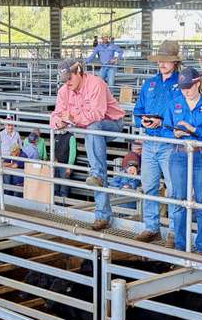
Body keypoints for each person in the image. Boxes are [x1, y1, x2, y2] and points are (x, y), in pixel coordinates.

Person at [50, 59, 125, 231]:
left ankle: (98, 181)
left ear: (79, 73)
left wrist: (73, 118)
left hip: (112, 123)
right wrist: (59, 122)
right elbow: (54, 116)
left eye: (70, 78)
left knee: (92, 129)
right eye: (64, 80)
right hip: (90, 129)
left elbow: (96, 115)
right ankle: (99, 188)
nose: (67, 83)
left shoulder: (95, 84)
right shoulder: (64, 91)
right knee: (92, 134)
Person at [165, 67, 202, 253]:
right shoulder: (174, 103)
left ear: (198, 83)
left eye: (188, 87)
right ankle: (181, 245)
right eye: (183, 88)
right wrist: (173, 132)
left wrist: (192, 129)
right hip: (179, 153)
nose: (186, 91)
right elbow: (166, 128)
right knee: (179, 200)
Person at [134, 41, 183, 244]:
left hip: (170, 142)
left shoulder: (182, 83)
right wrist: (143, 120)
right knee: (149, 186)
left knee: (173, 189)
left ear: (175, 62)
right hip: (150, 142)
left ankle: (174, 231)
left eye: (166, 60)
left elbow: (183, 112)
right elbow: (138, 110)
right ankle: (151, 226)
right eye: (160, 60)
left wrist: (163, 122)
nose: (162, 63)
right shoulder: (149, 83)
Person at [0, 119, 24, 190]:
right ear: (5, 126)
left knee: (15, 183)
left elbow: (20, 148)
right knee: (7, 183)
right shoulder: (0, 134)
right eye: (8, 125)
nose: (10, 127)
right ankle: (6, 199)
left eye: (12, 125)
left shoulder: (17, 134)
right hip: (5, 162)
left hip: (15, 161)